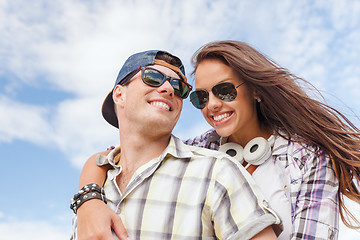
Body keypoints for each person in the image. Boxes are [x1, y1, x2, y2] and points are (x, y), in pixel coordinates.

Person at [75, 41, 360, 240]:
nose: (211, 105)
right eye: (200, 97)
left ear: (256, 91)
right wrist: (89, 201)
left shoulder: (309, 158)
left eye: (224, 91)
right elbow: (112, 158)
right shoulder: (200, 150)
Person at [70, 49, 282, 240]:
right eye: (152, 77)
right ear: (119, 94)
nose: (168, 89)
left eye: (178, 87)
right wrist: (88, 199)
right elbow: (100, 159)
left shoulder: (217, 172)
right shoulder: (92, 193)